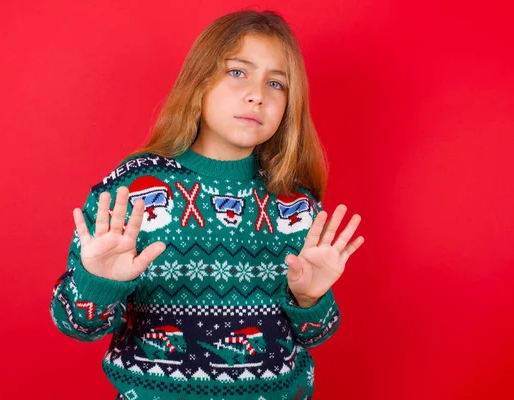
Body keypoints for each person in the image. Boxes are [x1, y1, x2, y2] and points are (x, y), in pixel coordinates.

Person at [49, 9, 364, 400]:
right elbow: (75, 324)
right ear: (200, 82)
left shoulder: (295, 203)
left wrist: (310, 298)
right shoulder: (134, 188)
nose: (257, 94)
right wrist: (100, 282)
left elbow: (318, 334)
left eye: (277, 84)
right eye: (237, 72)